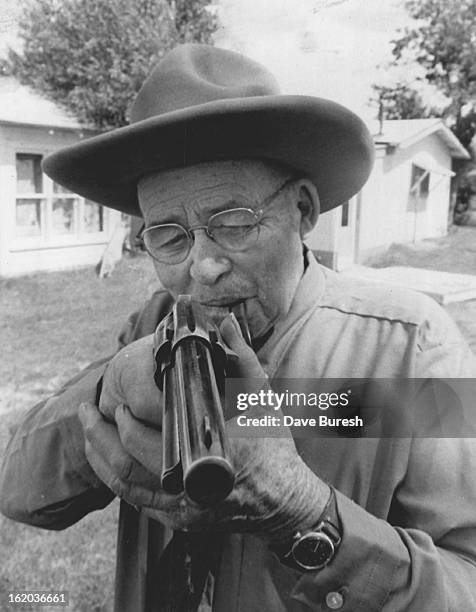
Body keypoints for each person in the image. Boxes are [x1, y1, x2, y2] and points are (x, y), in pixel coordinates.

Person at [1, 43, 476, 612]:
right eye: (169, 236)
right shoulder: (154, 327)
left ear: (303, 211)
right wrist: (106, 393)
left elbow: (466, 580)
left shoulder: (407, 347)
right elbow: (20, 492)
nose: (201, 267)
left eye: (232, 223)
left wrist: (304, 513)